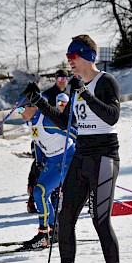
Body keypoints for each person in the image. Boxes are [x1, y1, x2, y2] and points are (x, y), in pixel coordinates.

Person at [23, 34, 125, 263]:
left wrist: (83, 92)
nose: (70, 63)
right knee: (65, 218)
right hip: (81, 154)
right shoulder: (74, 86)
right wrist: (40, 103)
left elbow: (112, 117)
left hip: (104, 155)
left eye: (73, 57)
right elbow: (65, 122)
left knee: (101, 220)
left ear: (88, 57)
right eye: (68, 58)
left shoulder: (105, 81)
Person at [18, 98, 76, 250]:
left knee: (41, 192)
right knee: (39, 194)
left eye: (20, 109)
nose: (19, 114)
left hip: (65, 160)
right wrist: (38, 161)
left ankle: (44, 234)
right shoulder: (31, 122)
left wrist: (85, 154)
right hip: (50, 161)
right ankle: (52, 230)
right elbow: (37, 141)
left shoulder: (47, 121)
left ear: (31, 107)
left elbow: (73, 133)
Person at [25, 72, 69, 212]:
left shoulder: (68, 94)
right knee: (39, 165)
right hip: (43, 134)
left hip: (59, 138)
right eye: (59, 78)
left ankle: (59, 199)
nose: (62, 81)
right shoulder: (48, 94)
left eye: (64, 78)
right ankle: (33, 197)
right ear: (55, 80)